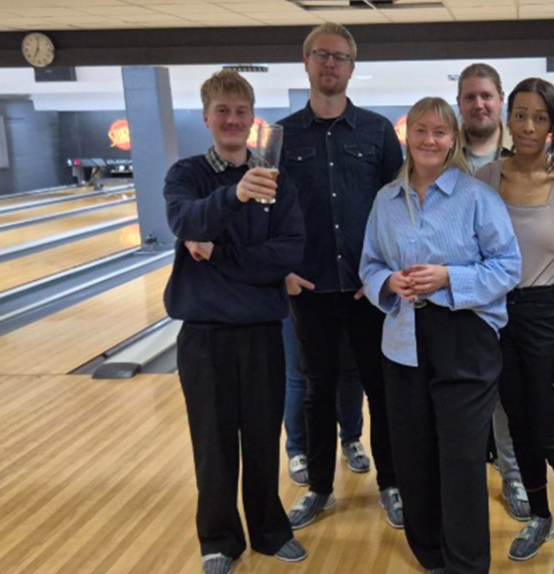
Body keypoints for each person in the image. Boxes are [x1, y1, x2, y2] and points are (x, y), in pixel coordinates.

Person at [361, 96, 522, 574]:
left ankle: (467, 565)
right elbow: (369, 264)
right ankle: (430, 555)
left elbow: (508, 267)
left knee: (460, 458)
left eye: (440, 132)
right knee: (413, 452)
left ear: (453, 140)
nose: (430, 140)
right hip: (404, 339)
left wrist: (448, 277)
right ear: (406, 138)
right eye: (421, 131)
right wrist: (388, 283)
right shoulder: (385, 201)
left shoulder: (477, 198)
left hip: (465, 335)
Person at [163, 70, 308, 574]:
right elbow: (186, 222)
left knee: (264, 439)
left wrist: (220, 255)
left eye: (240, 111)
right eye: (222, 111)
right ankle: (220, 541)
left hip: (263, 334)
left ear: (252, 119)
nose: (231, 119)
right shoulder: (186, 174)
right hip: (204, 337)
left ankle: (270, 530)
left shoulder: (277, 181)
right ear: (206, 118)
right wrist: (236, 197)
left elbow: (288, 251)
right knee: (214, 444)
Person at [278, 22, 404, 530]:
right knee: (317, 390)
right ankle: (321, 490)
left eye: (340, 57)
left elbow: (398, 209)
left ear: (352, 67)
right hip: (309, 287)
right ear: (306, 62)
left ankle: (392, 484)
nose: (330, 64)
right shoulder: (282, 135)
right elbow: (269, 208)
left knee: (381, 388)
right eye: (321, 55)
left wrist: (385, 272)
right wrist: (282, 268)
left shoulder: (377, 132)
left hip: (367, 288)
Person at [476, 78, 554, 574]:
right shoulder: (485, 179)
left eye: (540, 117)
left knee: (550, 432)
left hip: (545, 314)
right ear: (508, 117)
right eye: (521, 114)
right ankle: (542, 517)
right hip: (495, 314)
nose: (529, 126)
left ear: (553, 126)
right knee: (521, 430)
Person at [455, 61, 529, 522]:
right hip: (462, 295)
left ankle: (515, 473)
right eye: (470, 97)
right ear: (460, 105)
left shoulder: (525, 148)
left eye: (486, 95)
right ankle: (461, 480)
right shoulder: (444, 153)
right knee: (465, 393)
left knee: (510, 394)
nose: (479, 103)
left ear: (499, 99)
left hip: (517, 291)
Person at [281, 325, 371, 486]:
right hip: (295, 304)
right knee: (299, 375)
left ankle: (351, 439)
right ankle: (297, 450)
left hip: (343, 302)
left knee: (350, 370)